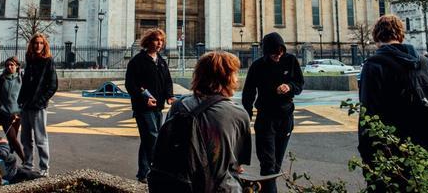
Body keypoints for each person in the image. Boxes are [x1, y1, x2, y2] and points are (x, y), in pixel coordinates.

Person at [358, 14, 428, 191]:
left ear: (376, 36)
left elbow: (368, 115)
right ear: (401, 35)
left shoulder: (373, 66)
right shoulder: (426, 64)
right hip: (427, 149)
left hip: (392, 153)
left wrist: (368, 158)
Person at [150, 51, 251, 193]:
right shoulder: (238, 114)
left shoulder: (179, 106)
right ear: (226, 78)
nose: (236, 79)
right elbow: (238, 165)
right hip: (219, 188)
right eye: (234, 74)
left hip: (179, 185)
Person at [242, 32, 304, 193]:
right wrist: (247, 115)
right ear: (266, 52)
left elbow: (299, 84)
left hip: (285, 117)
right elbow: (248, 92)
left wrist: (289, 87)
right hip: (266, 119)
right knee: (268, 165)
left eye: (281, 52)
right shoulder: (257, 66)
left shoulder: (290, 60)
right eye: (274, 54)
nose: (278, 56)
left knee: (275, 165)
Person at [125, 28, 174, 183]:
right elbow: (130, 84)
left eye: (161, 40)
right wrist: (142, 98)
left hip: (158, 106)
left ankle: (143, 173)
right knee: (153, 135)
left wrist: (169, 95)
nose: (159, 43)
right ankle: (156, 168)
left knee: (148, 139)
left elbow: (167, 80)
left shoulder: (161, 61)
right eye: (156, 40)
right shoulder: (137, 61)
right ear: (148, 41)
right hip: (143, 107)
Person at [18, 33, 58, 177]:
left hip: (38, 106)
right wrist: (20, 100)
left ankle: (44, 168)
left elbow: (53, 85)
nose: (38, 46)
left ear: (45, 45)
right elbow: (26, 83)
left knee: (41, 139)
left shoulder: (48, 61)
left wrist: (41, 101)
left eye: (41, 43)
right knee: (25, 138)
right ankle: (28, 164)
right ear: (32, 44)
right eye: (36, 43)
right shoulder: (30, 59)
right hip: (26, 105)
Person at [0, 56, 25, 162]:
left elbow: (26, 96)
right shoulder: (0, 80)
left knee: (12, 140)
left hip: (18, 114)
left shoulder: (22, 78)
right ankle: (25, 160)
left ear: (17, 66)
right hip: (5, 114)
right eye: (7, 65)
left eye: (12, 65)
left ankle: (7, 161)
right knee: (13, 139)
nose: (9, 67)